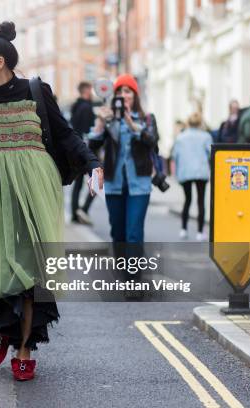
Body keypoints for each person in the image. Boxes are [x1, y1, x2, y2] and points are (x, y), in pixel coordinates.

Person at [0, 22, 102, 382]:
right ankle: (3, 327)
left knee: (33, 272)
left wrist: (93, 164)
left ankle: (25, 348)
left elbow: (64, 133)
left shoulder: (36, 90)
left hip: (37, 189)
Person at [88, 74, 157, 295]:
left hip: (140, 185)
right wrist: (101, 121)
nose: (124, 96)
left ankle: (133, 283)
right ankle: (123, 271)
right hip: (115, 184)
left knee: (134, 233)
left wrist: (130, 123)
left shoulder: (146, 118)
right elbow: (92, 144)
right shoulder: (109, 119)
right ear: (114, 96)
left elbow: (153, 141)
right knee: (118, 232)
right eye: (120, 92)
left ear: (135, 95)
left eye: (128, 91)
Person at [172, 112, 212, 241]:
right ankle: (200, 232)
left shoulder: (180, 137)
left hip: (186, 171)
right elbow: (211, 154)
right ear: (200, 122)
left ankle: (183, 229)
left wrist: (176, 174)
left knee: (187, 200)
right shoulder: (206, 136)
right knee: (201, 201)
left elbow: (175, 156)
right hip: (201, 171)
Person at [70, 81, 97, 224]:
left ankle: (75, 214)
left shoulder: (75, 107)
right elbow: (88, 132)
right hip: (86, 151)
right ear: (86, 91)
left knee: (78, 184)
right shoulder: (87, 108)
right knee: (98, 181)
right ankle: (84, 209)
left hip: (76, 150)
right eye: (91, 90)